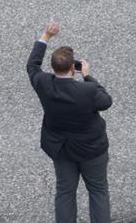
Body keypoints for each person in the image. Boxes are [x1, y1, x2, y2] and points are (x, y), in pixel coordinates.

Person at [26, 21, 113, 223]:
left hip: (61, 148)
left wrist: (46, 35)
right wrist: (88, 75)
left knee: (65, 192)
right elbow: (106, 101)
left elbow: (32, 65)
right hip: (92, 149)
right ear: (73, 68)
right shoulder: (88, 91)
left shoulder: (43, 83)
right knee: (98, 191)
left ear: (53, 67)